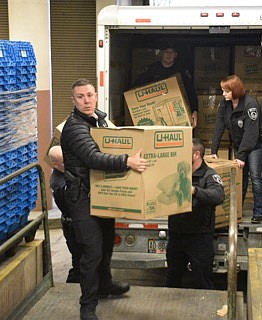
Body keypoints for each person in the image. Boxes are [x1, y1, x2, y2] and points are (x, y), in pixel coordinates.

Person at [60, 78, 148, 320]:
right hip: (81, 198)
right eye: (80, 96)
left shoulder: (99, 120)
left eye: (89, 95)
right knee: (92, 251)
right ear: (73, 100)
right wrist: (126, 161)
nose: (86, 100)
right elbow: (92, 157)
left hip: (100, 193)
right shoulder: (74, 127)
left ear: (96, 95)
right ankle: (87, 306)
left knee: (107, 243)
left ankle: (106, 285)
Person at [209, 75, 262, 224]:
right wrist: (214, 150)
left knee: (254, 175)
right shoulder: (225, 104)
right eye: (223, 91)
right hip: (241, 142)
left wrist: (241, 156)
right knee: (241, 175)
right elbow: (219, 127)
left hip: (259, 141)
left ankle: (259, 211)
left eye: (226, 91)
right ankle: (237, 210)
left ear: (235, 90)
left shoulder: (251, 105)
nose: (223, 94)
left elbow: (251, 134)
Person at [166, 138, 224, 289]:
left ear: (196, 155)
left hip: (199, 237)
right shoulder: (176, 173)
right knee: (172, 279)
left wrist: (195, 190)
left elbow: (218, 196)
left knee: (203, 281)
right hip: (176, 235)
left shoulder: (209, 175)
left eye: (184, 152)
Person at [133, 44, 199, 128]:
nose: (169, 55)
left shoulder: (181, 71)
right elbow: (136, 88)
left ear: (175, 55)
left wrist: (195, 111)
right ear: (161, 54)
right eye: (166, 52)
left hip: (177, 112)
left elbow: (191, 92)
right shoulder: (152, 70)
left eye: (171, 52)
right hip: (156, 112)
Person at [48, 145, 81, 283]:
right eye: (63, 161)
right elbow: (75, 199)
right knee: (78, 261)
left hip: (75, 222)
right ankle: (70, 287)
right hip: (72, 225)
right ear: (55, 164)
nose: (67, 163)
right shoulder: (59, 183)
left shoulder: (65, 173)